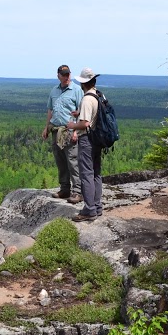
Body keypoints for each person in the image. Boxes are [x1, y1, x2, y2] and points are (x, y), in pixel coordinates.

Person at [41, 64, 83, 203]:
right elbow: (50, 110)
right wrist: (46, 127)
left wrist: (76, 131)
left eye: (68, 74)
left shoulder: (76, 90)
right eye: (63, 75)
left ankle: (77, 192)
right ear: (58, 75)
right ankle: (65, 189)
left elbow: (81, 112)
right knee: (60, 161)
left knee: (72, 161)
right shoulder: (54, 91)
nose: (66, 77)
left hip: (70, 131)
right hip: (55, 130)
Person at [66, 67, 103, 221]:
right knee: (95, 173)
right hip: (97, 139)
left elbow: (85, 124)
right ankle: (97, 206)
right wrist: (79, 113)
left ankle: (89, 210)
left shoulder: (87, 99)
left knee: (86, 174)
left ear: (84, 83)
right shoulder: (98, 95)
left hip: (87, 140)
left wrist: (72, 125)